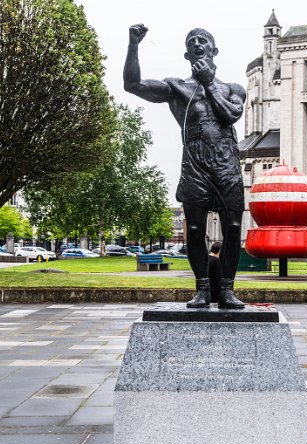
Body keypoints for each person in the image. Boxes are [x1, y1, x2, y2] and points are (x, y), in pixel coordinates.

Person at [124, 25, 246, 309]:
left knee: (233, 227)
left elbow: (231, 115)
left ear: (214, 51)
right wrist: (133, 46)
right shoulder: (177, 88)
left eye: (203, 40)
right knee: (193, 228)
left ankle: (227, 290)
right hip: (195, 165)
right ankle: (202, 289)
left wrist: (210, 83)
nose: (197, 43)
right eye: (192, 41)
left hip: (227, 165)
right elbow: (133, 85)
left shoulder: (233, 88)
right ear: (186, 53)